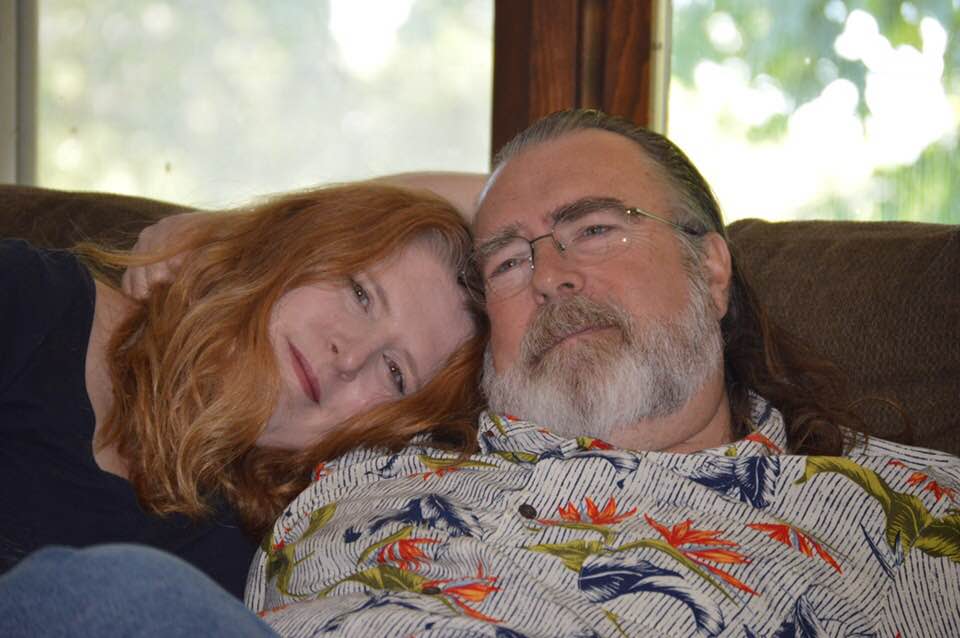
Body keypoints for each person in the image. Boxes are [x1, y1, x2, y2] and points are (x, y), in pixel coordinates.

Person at [4, 110, 958, 636]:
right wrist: (234, 243)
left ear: (713, 266)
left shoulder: (902, 510)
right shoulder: (383, 451)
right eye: (509, 261)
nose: (552, 273)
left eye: (594, 228)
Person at [0, 182, 487, 600]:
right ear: (294, 245)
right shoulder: (32, 302)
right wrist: (219, 232)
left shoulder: (264, 557)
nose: (350, 355)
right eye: (360, 293)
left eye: (395, 372)